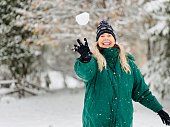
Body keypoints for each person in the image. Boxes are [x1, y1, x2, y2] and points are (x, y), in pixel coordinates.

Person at [73, 20, 170, 127]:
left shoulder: (128, 64)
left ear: (114, 39)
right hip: (97, 121)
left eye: (109, 35)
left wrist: (159, 110)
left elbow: (141, 92)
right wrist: (86, 59)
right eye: (102, 36)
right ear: (97, 41)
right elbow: (84, 73)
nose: (106, 38)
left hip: (123, 121)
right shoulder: (93, 62)